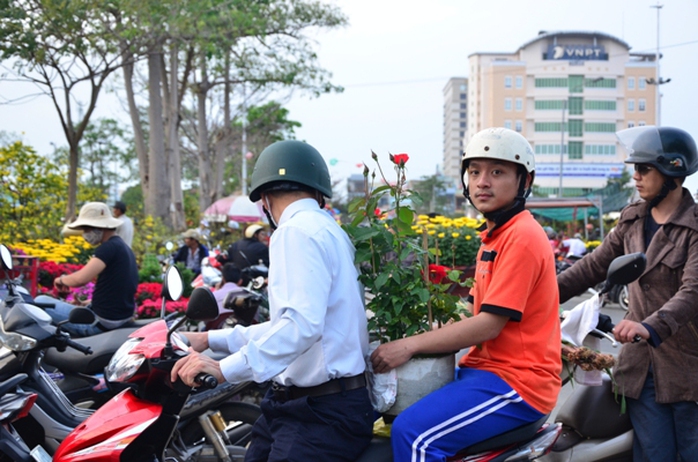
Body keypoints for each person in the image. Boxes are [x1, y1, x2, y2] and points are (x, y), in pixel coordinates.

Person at [170, 140, 373, 462]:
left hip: (317, 414)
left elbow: (300, 327)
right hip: (307, 405)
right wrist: (209, 338)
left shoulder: (295, 232)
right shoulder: (328, 229)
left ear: (264, 199)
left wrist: (223, 369)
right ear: (319, 192)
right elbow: (289, 325)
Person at [370, 127, 561, 461]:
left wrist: (409, 346)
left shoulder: (522, 237)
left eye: (497, 172)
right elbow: (470, 310)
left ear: (524, 182)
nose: (482, 182)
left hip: (517, 384)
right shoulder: (494, 236)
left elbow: (488, 324)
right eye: (474, 172)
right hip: (486, 373)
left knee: (414, 435)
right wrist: (422, 334)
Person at [557, 125, 698, 461]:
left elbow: (693, 291)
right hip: (640, 368)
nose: (636, 176)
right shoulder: (633, 219)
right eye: (635, 168)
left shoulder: (694, 227)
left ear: (672, 171)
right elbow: (593, 266)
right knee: (653, 454)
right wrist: (536, 296)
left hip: (688, 366)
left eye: (644, 169)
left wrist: (649, 326)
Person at [35, 202, 138, 337]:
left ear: (99, 227)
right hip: (117, 318)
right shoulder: (122, 247)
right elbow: (117, 290)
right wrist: (87, 303)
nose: (85, 234)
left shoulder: (108, 248)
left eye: (86, 229)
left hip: (99, 323)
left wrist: (60, 280)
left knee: (40, 302)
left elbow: (81, 278)